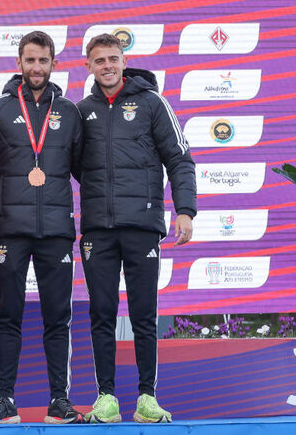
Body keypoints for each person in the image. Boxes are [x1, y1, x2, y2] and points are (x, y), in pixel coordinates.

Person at [76, 33, 196, 423]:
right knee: (102, 314)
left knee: (144, 314)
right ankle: (106, 397)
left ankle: (147, 397)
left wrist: (185, 210)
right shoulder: (81, 111)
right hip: (98, 228)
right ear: (88, 65)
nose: (107, 66)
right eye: (99, 60)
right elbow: (74, 165)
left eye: (114, 58)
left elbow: (179, 159)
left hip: (143, 225)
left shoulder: (152, 103)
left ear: (124, 62)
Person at [0, 31, 85, 424]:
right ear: (19, 63)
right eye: (30, 60)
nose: (36, 68)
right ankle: (5, 401)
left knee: (58, 317)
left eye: (43, 61)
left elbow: (84, 171)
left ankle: (60, 401)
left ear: (54, 64)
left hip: (56, 229)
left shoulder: (70, 112)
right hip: (8, 230)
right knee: (9, 317)